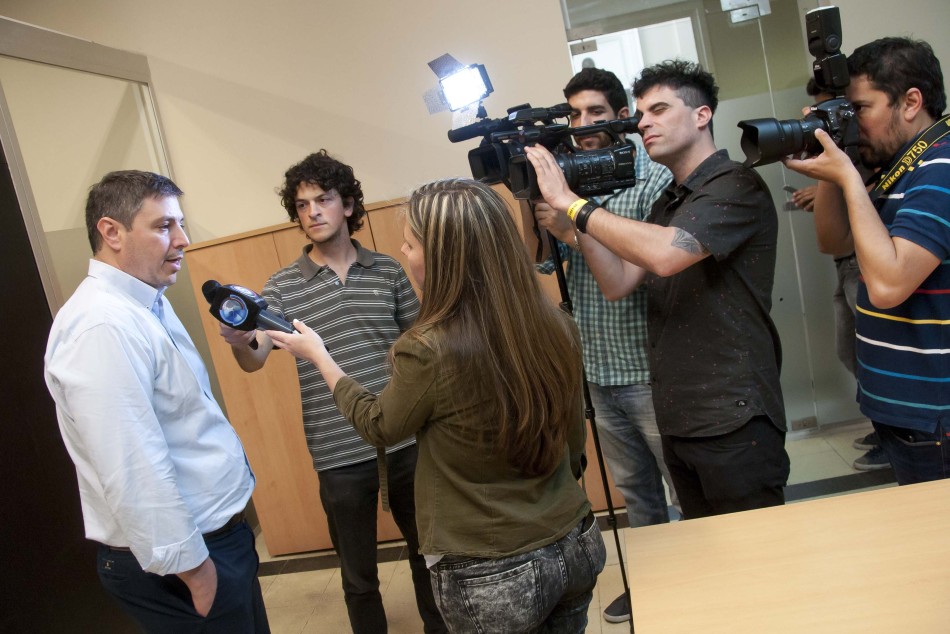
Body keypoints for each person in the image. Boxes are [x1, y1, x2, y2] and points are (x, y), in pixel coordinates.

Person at [266, 178, 606, 633]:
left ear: (444, 256)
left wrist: (321, 358)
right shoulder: (557, 324)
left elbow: (379, 425)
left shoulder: (428, 348)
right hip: (575, 543)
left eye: (409, 244)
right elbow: (572, 445)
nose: (403, 254)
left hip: (491, 571)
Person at [525, 60, 790, 521]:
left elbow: (668, 255)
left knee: (758, 561)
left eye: (660, 109)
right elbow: (617, 281)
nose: (644, 122)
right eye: (642, 113)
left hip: (733, 413)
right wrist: (563, 209)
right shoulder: (673, 200)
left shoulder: (736, 183)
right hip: (681, 413)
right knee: (700, 550)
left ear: (702, 115)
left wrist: (573, 204)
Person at [218, 151, 445, 634]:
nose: (313, 211)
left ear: (347, 204)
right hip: (337, 453)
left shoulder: (386, 269)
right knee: (358, 577)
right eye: (302, 205)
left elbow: (422, 344)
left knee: (429, 557)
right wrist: (241, 340)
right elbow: (255, 358)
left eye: (323, 199)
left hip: (405, 439)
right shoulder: (280, 286)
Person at [44, 171, 268, 632]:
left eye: (179, 224)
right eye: (164, 226)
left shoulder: (148, 301)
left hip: (219, 540)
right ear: (112, 232)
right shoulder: (101, 326)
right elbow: (131, 464)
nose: (183, 240)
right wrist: (195, 571)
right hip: (184, 562)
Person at [533, 67, 676, 624]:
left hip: (651, 366)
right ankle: (651, 586)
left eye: (596, 112)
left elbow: (634, 268)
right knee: (637, 496)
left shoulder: (653, 180)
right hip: (598, 369)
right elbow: (540, 260)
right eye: (574, 115)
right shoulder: (568, 181)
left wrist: (572, 221)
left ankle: (700, 587)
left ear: (623, 117)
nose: (583, 124)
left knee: (683, 488)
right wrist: (534, 202)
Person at [784, 37, 950, 485]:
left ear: (911, 102)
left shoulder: (942, 166)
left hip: (934, 417)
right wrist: (836, 170)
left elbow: (889, 285)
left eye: (859, 110)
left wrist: (846, 178)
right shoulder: (893, 169)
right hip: (899, 407)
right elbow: (832, 240)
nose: (853, 126)